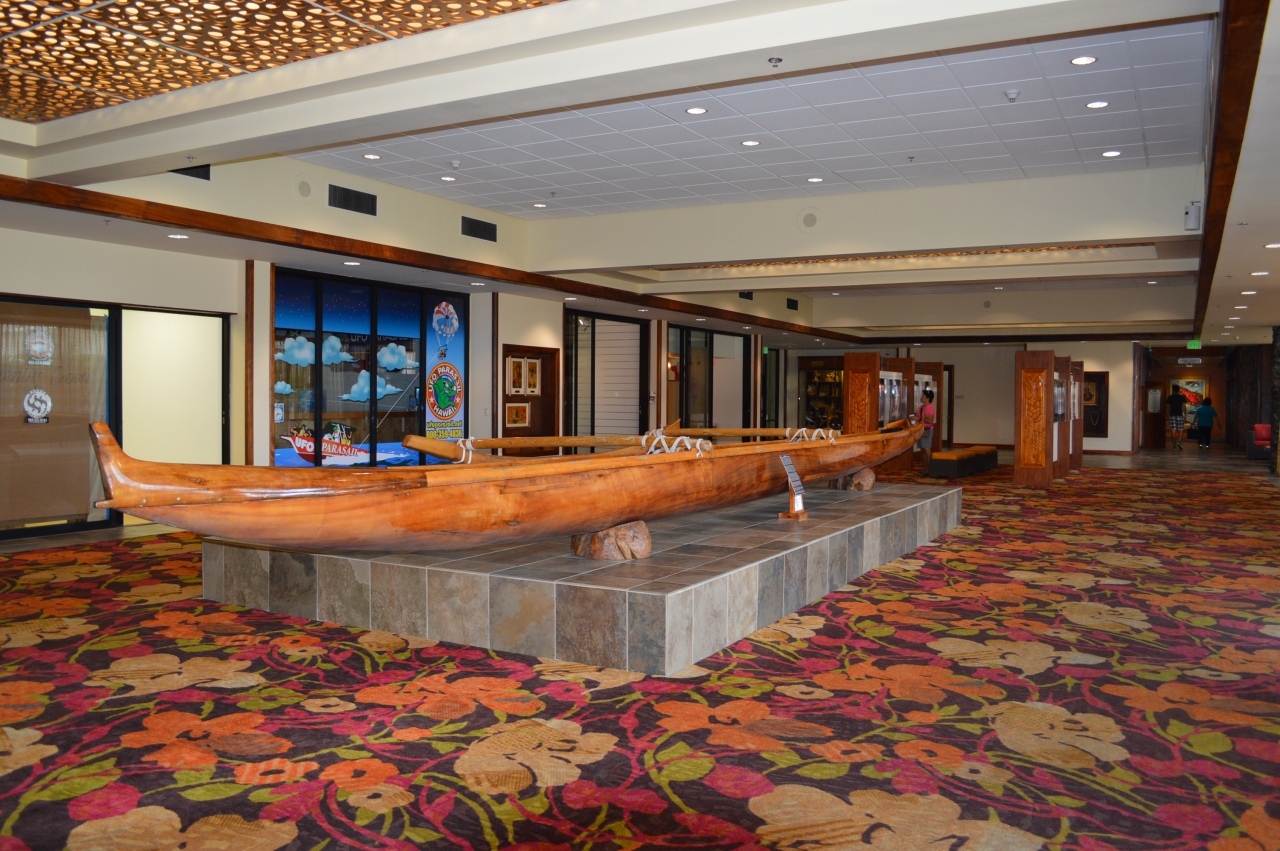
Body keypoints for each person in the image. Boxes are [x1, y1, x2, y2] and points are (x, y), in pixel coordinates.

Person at [915, 389, 936, 473]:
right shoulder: (921, 406)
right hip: (920, 429)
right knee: (922, 449)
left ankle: (929, 468)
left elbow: (929, 420)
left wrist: (919, 418)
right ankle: (924, 468)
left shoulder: (929, 407)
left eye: (923, 396)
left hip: (926, 429)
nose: (921, 397)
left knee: (926, 449)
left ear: (928, 398)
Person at [1166, 385, 1188, 450]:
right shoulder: (1181, 397)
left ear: (1173, 390)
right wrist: (1185, 414)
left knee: (1173, 430)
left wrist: (1167, 414)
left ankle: (1174, 446)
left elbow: (1168, 407)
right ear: (1179, 390)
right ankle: (1179, 441)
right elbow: (1184, 406)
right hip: (1179, 415)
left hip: (1172, 415)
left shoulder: (1170, 397)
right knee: (1181, 429)